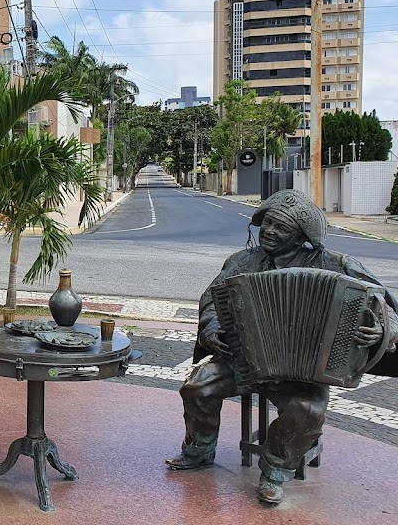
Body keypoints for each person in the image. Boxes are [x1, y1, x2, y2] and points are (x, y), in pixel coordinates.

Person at [166, 189, 397, 505]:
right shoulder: (243, 260)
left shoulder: (336, 264)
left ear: (300, 236)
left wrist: (384, 328)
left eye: (282, 228)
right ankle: (199, 449)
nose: (271, 232)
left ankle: (275, 471)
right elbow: (212, 299)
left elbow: (384, 303)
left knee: (307, 410)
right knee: (198, 386)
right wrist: (213, 329)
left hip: (304, 371)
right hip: (243, 358)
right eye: (267, 223)